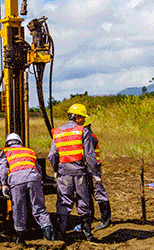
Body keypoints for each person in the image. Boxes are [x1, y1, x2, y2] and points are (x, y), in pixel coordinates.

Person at [47, 103, 99, 241]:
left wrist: (56, 169)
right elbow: (90, 156)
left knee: (64, 203)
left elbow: (52, 155)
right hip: (80, 172)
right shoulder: (83, 131)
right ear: (77, 117)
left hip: (64, 173)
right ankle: (87, 234)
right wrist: (95, 173)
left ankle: (61, 234)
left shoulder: (57, 132)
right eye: (82, 118)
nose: (83, 121)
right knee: (83, 202)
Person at [0, 133, 56, 244]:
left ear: (8, 143)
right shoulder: (29, 151)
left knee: (19, 208)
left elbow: (3, 169)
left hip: (16, 180)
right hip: (34, 178)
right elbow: (38, 168)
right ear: (20, 142)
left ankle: (20, 238)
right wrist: (40, 182)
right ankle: (49, 235)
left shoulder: (5, 151)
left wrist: (4, 184)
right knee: (39, 207)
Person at [84, 114, 111, 230]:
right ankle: (91, 218)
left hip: (92, 168)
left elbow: (89, 156)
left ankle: (105, 220)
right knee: (88, 193)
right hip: (88, 168)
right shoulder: (87, 134)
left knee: (98, 192)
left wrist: (94, 172)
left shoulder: (88, 136)